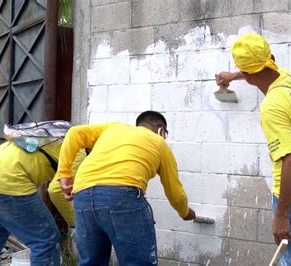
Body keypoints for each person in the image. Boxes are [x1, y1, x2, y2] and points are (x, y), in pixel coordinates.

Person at [218, 33, 291, 266]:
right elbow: (257, 70)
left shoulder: (272, 106)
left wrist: (281, 216)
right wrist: (233, 76)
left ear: (249, 75)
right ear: (271, 57)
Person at [56, 110, 196, 266]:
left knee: (91, 262)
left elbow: (75, 132)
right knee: (138, 262)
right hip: (121, 196)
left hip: (82, 195)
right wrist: (185, 212)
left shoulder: (113, 128)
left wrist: (64, 174)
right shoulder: (160, 143)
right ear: (161, 129)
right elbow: (175, 193)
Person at [0, 139, 83, 266]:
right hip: (9, 183)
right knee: (46, 240)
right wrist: (74, 222)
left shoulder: (56, 138)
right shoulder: (78, 154)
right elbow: (56, 190)